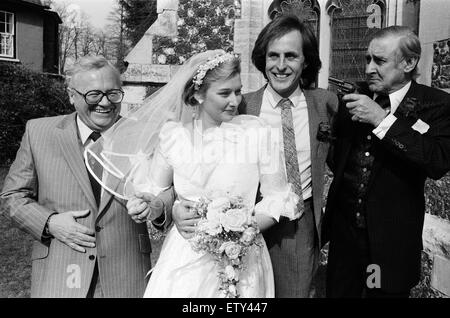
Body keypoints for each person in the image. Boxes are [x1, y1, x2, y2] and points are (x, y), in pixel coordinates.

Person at [125, 50, 300, 297]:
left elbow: (279, 198)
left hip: (242, 258)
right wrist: (160, 207)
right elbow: (159, 193)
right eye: (224, 93)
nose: (235, 101)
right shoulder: (173, 136)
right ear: (198, 94)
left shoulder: (257, 132)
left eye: (238, 91)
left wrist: (242, 229)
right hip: (186, 255)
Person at [0, 56, 174, 297]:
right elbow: (13, 196)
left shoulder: (144, 136)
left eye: (113, 93)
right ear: (72, 95)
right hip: (60, 272)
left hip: (126, 276)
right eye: (93, 94)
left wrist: (155, 207)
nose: (105, 102)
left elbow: (168, 190)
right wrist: (50, 223)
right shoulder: (38, 132)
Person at [323, 26, 450, 298]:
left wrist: (382, 120)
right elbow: (337, 159)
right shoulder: (354, 99)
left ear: (409, 62)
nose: (369, 68)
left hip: (388, 245)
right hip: (345, 241)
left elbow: (436, 161)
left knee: (378, 294)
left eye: (379, 61)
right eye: (367, 59)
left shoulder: (436, 105)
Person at [237, 15, 338, 297]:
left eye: (291, 56)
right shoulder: (242, 106)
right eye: (274, 56)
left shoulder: (325, 104)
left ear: (306, 61)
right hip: (246, 220)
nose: (281, 66)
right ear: (263, 58)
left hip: (298, 224)